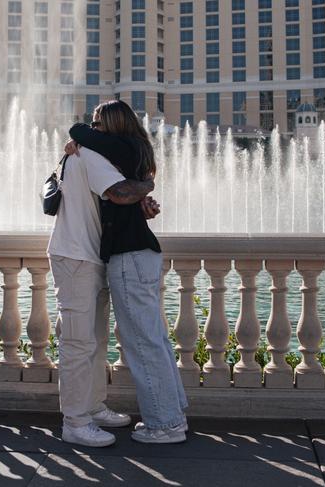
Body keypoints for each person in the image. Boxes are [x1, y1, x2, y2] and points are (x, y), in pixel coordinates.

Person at [65, 100, 188, 444]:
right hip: (142, 253)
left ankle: (164, 425)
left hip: (129, 256)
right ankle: (174, 415)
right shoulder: (134, 151)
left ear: (114, 125)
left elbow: (77, 131)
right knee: (155, 338)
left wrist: (80, 137)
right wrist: (145, 196)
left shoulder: (118, 147)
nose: (94, 128)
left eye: (99, 122)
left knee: (141, 342)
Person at [47, 144, 157, 448]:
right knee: (77, 342)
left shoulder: (88, 154)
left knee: (94, 340)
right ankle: (75, 421)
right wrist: (147, 184)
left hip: (90, 257)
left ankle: (93, 407)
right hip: (76, 258)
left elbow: (113, 204)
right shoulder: (88, 154)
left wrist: (142, 207)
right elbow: (120, 193)